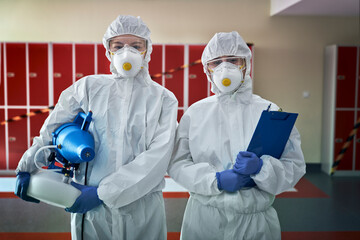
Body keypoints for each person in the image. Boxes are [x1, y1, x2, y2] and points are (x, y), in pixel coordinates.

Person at [14, 15, 178, 240]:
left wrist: (104, 193)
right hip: (90, 211)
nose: (126, 52)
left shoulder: (163, 99)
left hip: (141, 209)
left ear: (147, 50)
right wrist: (27, 166)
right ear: (108, 50)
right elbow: (53, 129)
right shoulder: (88, 88)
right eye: (118, 46)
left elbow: (157, 158)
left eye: (135, 45)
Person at [167, 31, 306, 240]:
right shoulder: (195, 114)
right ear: (207, 69)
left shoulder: (270, 111)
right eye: (217, 62)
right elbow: (177, 164)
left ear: (246, 64)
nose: (225, 68)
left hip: (256, 223)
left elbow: (294, 166)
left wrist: (262, 168)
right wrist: (215, 180)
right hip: (204, 221)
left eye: (232, 60)